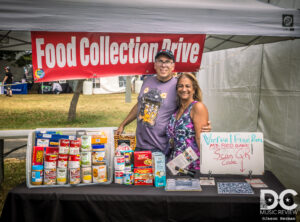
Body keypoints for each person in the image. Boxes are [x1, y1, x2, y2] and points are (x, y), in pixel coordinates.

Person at [116, 49, 211, 155]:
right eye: (160, 61)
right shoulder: (147, 81)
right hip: (140, 145)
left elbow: (189, 108)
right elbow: (140, 104)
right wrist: (123, 124)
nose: (163, 65)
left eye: (168, 62)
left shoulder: (178, 85)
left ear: (173, 66)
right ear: (155, 64)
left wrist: (202, 126)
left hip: (160, 148)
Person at [167, 73, 209, 170]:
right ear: (177, 89)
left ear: (194, 89)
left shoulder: (198, 107)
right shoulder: (176, 111)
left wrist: (207, 164)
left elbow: (201, 140)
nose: (184, 89)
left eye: (188, 86)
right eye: (180, 86)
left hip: (193, 166)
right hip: (176, 165)